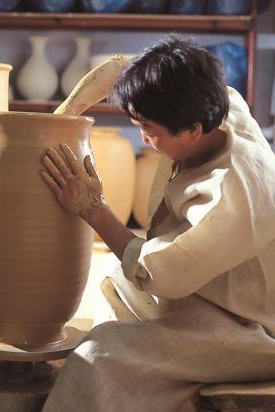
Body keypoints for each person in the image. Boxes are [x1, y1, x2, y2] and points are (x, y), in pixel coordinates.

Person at [40, 35, 275, 412]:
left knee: (100, 356)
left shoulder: (227, 195)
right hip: (207, 292)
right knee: (114, 282)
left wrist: (95, 209)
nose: (145, 139)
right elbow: (121, 71)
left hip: (249, 327)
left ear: (193, 130)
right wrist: (67, 113)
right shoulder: (218, 104)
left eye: (148, 129)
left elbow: (158, 273)